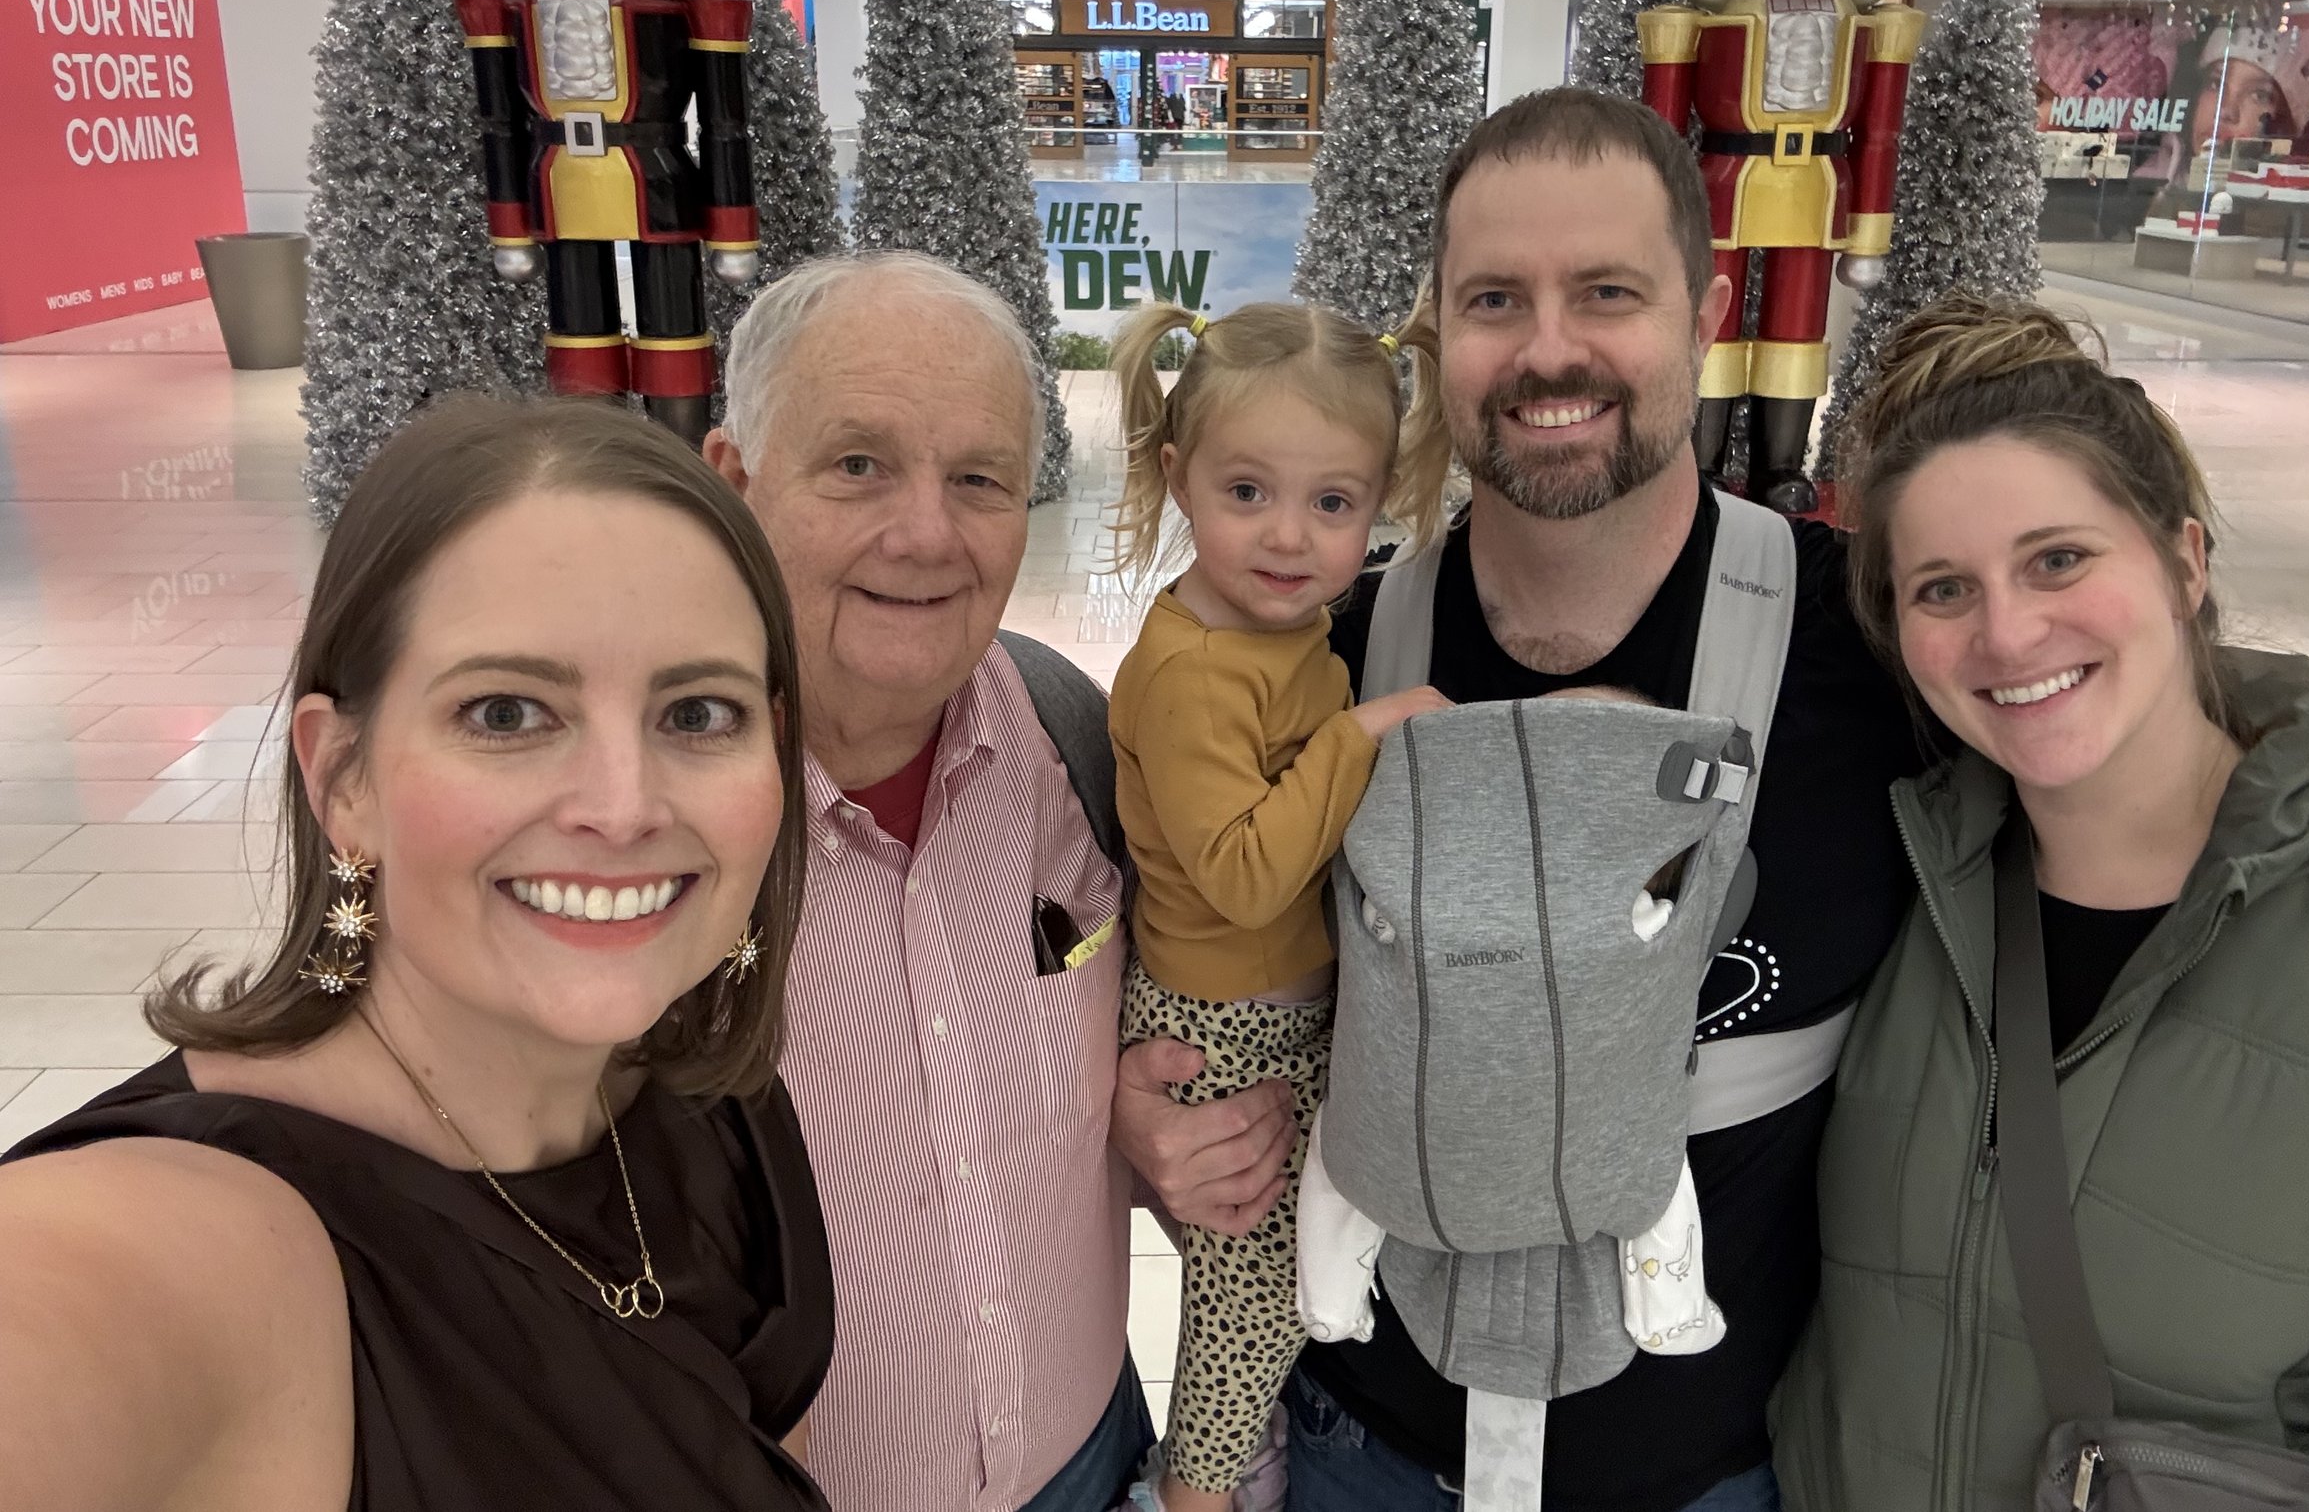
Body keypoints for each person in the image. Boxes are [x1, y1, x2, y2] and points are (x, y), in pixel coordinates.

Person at [1253, 86, 2309, 1512]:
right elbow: (1175, 916)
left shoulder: (1872, 664)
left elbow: (2120, 706)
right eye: (1493, 297)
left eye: (1607, 290)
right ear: (1436, 325)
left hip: (1723, 1475)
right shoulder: (1327, 653)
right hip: (1361, 1448)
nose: (1549, 347)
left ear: (1709, 307)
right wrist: (1159, 1107)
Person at [0, 396, 831, 1509]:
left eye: (696, 715)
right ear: (341, 776)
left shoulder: (716, 1118)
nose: (624, 807)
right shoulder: (181, 1244)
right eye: (505, 713)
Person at [1773, 296, 2309, 1510]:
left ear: (2183, 558)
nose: (2008, 632)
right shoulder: (1896, 881)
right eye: (1942, 589)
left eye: (2058, 558)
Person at [702, 253, 1297, 1512]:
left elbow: (1145, 1016)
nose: (926, 534)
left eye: (979, 479)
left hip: (1091, 1456)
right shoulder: (645, 826)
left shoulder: (1076, 739)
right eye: (857, 463)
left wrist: (1129, 1131)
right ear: (733, 483)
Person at [1100, 301, 1451, 1510]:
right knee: (1245, 1319)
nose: (1289, 536)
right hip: (1228, 1030)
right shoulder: (1196, 672)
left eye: (1334, 503)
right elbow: (1247, 871)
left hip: (1289, 1001)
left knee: (1302, 1282)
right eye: (1247, 491)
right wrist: (1360, 737)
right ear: (1176, 478)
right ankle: (1192, 1496)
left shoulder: (1284, 628)